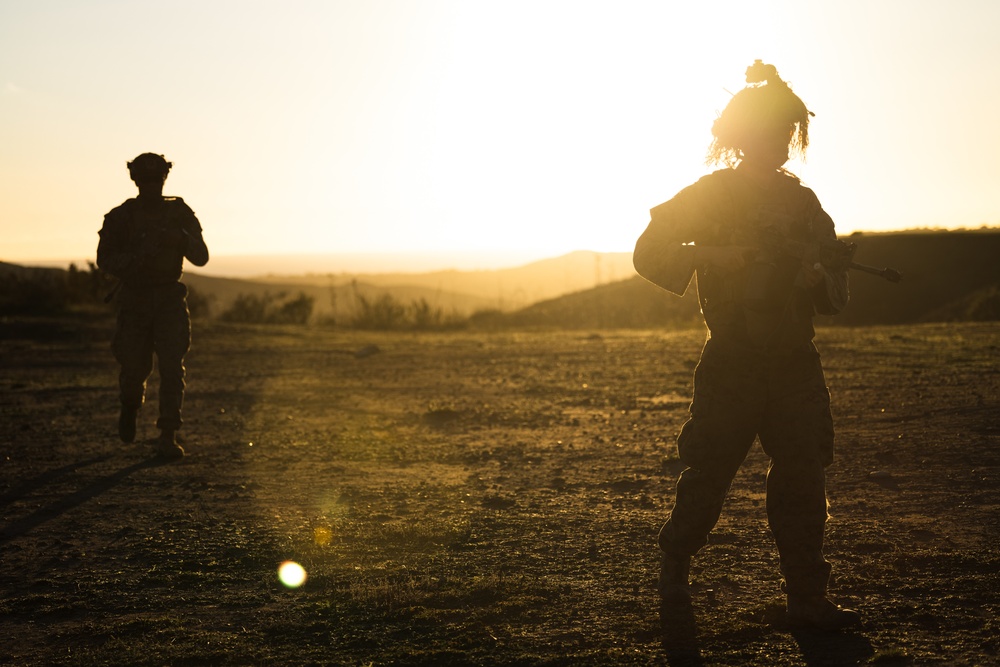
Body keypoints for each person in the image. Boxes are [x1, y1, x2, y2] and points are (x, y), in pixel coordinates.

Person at [633, 61, 860, 630]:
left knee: (804, 480)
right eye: (772, 130)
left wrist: (818, 281)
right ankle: (674, 571)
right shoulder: (711, 196)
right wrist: (706, 256)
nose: (782, 141)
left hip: (794, 367)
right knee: (708, 475)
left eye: (789, 131)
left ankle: (807, 599)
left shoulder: (804, 206)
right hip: (732, 363)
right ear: (743, 136)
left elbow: (838, 289)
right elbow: (648, 251)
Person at [97, 153, 209, 460]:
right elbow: (104, 261)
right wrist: (136, 258)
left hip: (170, 299)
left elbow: (201, 256)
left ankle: (167, 435)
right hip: (134, 300)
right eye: (145, 180)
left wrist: (180, 240)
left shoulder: (179, 213)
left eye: (155, 179)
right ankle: (130, 406)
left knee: (172, 366)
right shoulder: (121, 217)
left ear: (164, 179)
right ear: (135, 180)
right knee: (134, 370)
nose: (151, 185)